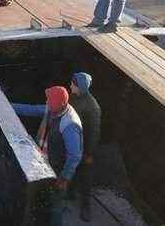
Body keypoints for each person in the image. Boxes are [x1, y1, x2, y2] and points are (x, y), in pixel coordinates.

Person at [12, 86, 83, 226]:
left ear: (57, 105)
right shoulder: (52, 109)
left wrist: (64, 178)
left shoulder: (70, 124)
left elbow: (74, 156)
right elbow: (31, 110)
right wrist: (9, 106)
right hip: (45, 162)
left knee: (56, 206)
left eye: (49, 101)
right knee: (45, 202)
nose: (46, 102)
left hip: (57, 171)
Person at [67, 72, 102, 222]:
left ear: (79, 87)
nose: (70, 86)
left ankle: (86, 206)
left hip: (85, 147)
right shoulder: (75, 97)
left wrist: (88, 154)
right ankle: (71, 193)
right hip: (75, 144)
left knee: (85, 177)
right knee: (74, 171)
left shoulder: (92, 107)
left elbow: (94, 132)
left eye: (73, 84)